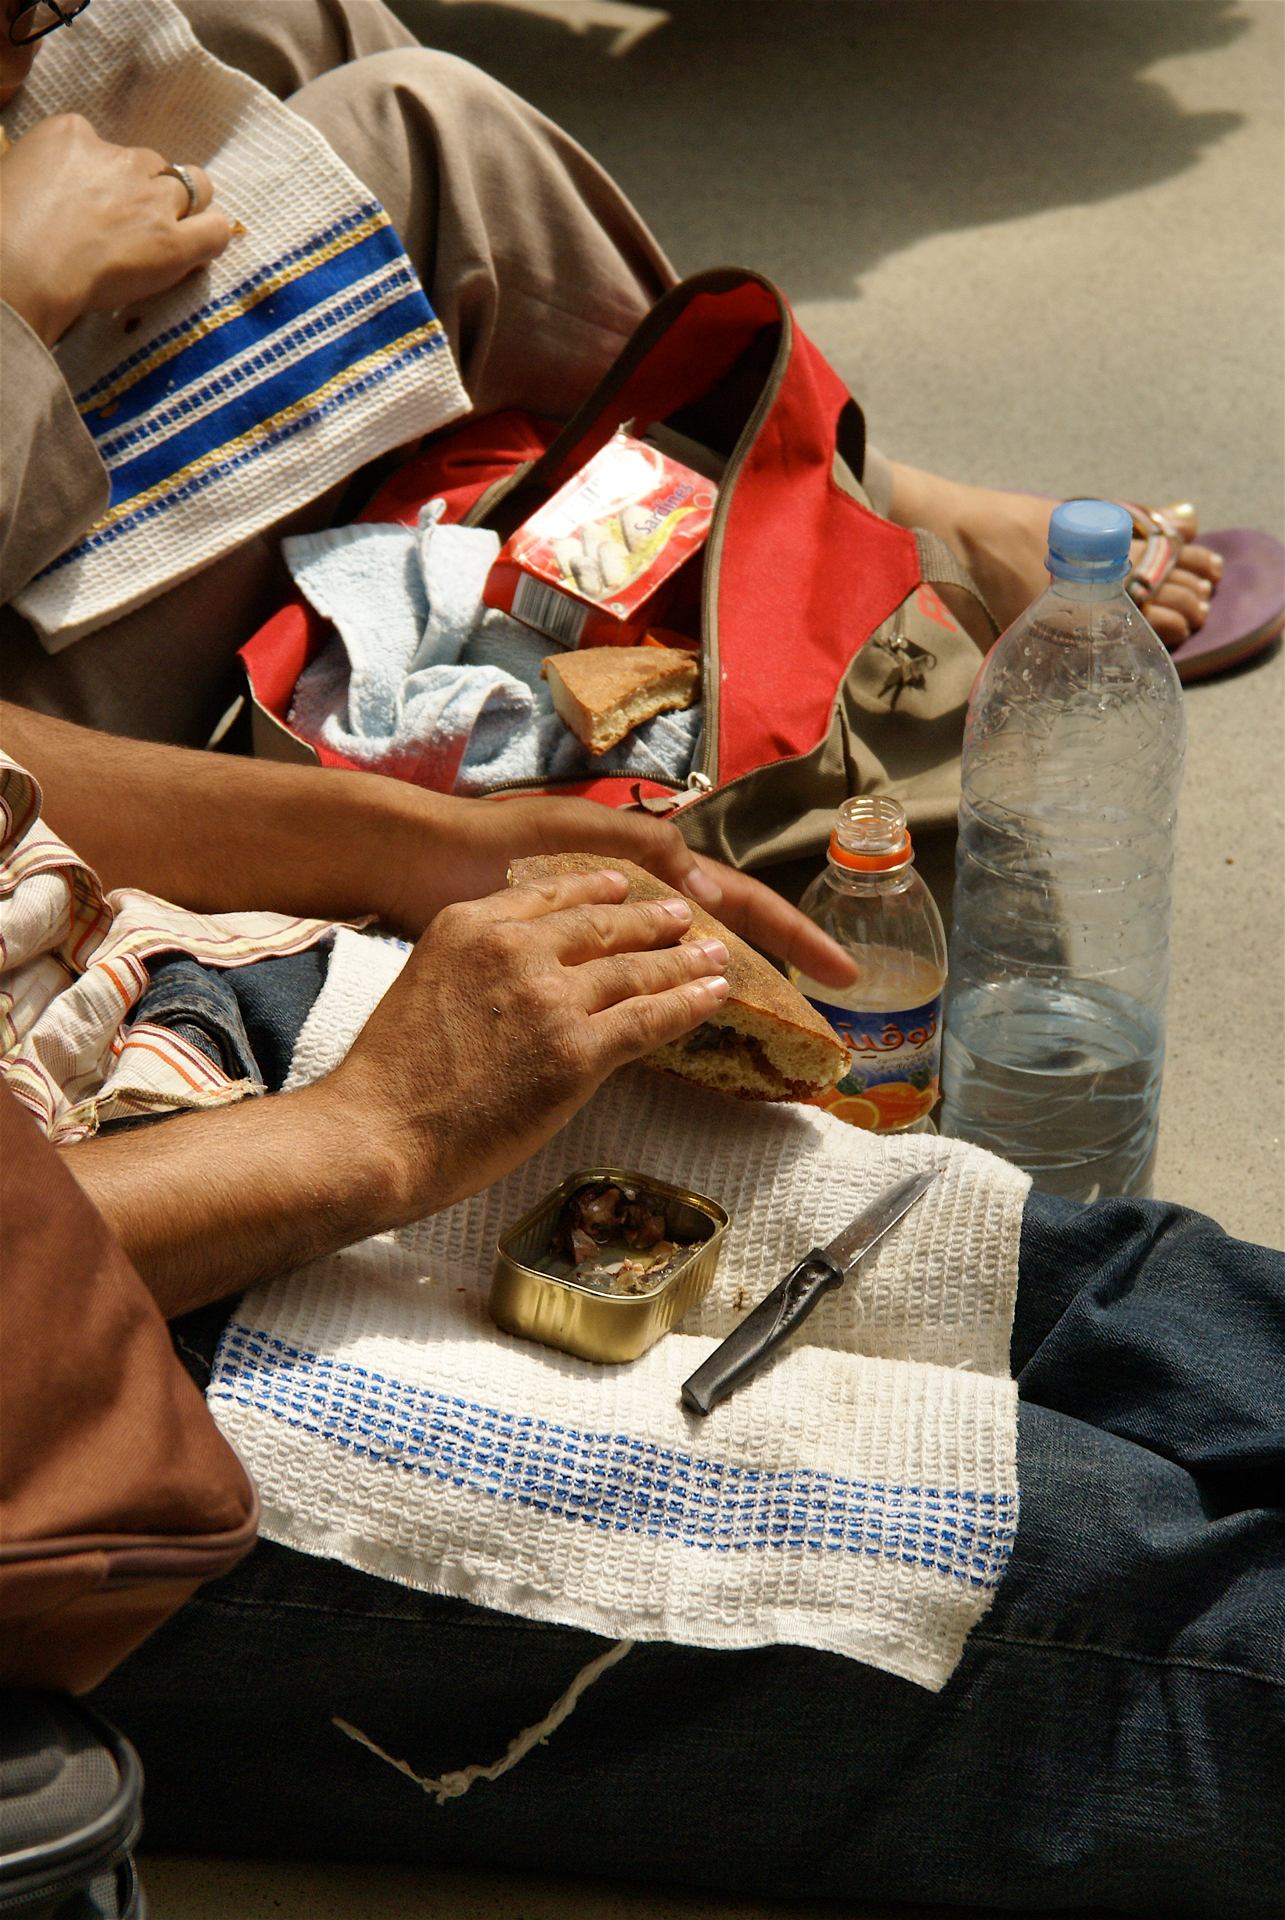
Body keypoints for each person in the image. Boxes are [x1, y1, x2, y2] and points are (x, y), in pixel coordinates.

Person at [1, 696, 1281, 1918]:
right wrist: (370, 1131)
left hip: (166, 1014)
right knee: (1110, 1585)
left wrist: (427, 844)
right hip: (72, 1404)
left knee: (1134, 1300)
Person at [0, 0, 1241, 755]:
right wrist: (21, 285)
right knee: (425, 142)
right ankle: (855, 558)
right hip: (34, 732)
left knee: (256, 32)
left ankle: (613, 537)